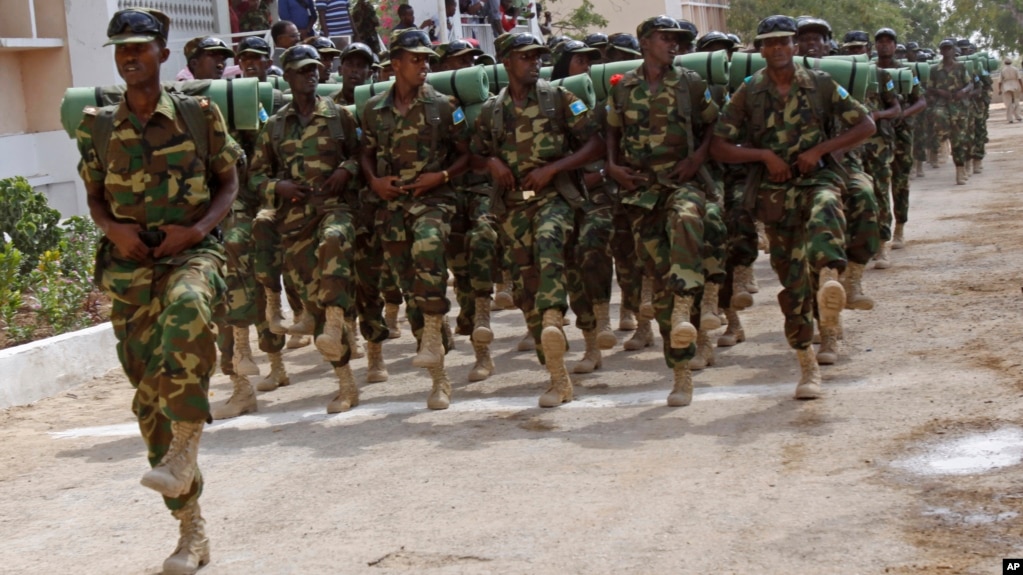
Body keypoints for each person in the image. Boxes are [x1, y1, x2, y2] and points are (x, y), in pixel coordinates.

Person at [76, 8, 241, 573]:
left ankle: (188, 440)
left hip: (193, 251)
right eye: (121, 47)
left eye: (140, 47)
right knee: (150, 404)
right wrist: (112, 229)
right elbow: (96, 193)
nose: (129, 55)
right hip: (129, 270)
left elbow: (229, 179)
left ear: (163, 55)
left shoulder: (198, 115)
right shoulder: (96, 124)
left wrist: (197, 230)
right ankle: (191, 530)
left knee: (190, 307)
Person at [711, 15, 876, 399]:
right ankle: (807, 366)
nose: (779, 48)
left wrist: (819, 150)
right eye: (770, 43)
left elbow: (865, 124)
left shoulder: (819, 83)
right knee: (793, 286)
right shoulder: (749, 91)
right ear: (760, 49)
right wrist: (764, 155)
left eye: (784, 41)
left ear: (794, 45)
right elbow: (720, 145)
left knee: (826, 210)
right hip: (773, 194)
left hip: (818, 178)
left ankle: (833, 285)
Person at [473, 32, 602, 407]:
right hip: (513, 207)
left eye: (537, 56)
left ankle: (563, 327)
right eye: (525, 56)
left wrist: (555, 168)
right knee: (528, 286)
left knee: (551, 246)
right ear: (507, 62)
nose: (534, 62)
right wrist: (492, 162)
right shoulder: (490, 110)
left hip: (556, 198)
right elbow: (475, 152)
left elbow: (595, 143)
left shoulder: (559, 99)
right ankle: (556, 374)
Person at [606, 16, 719, 405]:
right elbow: (611, 129)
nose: (673, 44)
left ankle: (688, 301)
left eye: (677, 39)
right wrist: (612, 166)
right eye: (664, 38)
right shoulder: (623, 87)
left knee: (686, 220)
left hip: (682, 182)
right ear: (644, 43)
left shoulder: (690, 83)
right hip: (641, 192)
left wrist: (697, 160)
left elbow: (712, 126)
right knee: (656, 274)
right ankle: (681, 373)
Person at [360, 28, 471, 409]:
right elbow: (366, 152)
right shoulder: (373, 109)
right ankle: (434, 353)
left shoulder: (444, 104)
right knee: (410, 289)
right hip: (392, 207)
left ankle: (440, 376)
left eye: (426, 59)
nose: (424, 65)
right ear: (395, 64)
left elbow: (466, 155)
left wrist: (440, 177)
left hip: (434, 200)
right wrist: (375, 181)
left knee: (428, 250)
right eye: (415, 59)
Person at [249, 45, 363, 412]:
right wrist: (277, 188)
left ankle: (334, 320)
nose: (311, 75)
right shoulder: (275, 125)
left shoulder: (339, 115)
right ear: (288, 76)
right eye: (302, 70)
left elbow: (364, 155)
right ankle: (345, 382)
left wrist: (347, 170)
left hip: (335, 209)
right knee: (311, 297)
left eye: (315, 69)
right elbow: (254, 176)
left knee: (333, 242)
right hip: (295, 222)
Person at [551, 39, 618, 373]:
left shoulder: (601, 102)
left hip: (600, 195)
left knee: (592, 250)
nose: (587, 68)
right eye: (580, 61)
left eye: (590, 62)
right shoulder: (549, 101)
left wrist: (602, 173)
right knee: (571, 268)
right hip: (563, 197)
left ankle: (606, 318)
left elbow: (611, 144)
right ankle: (591, 343)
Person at [875, 27, 926, 252]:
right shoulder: (867, 70)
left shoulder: (906, 71)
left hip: (901, 134)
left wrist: (902, 115)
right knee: (877, 185)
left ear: (895, 46)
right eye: (880, 41)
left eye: (889, 41)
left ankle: (899, 228)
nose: (885, 45)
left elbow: (921, 102)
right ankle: (880, 235)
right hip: (876, 136)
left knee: (900, 182)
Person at [926, 39, 972, 185]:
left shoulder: (960, 67)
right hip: (942, 105)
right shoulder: (934, 70)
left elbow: (970, 84)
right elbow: (929, 88)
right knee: (938, 119)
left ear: (953, 50)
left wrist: (963, 91)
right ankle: (940, 144)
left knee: (959, 140)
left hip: (959, 107)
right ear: (940, 51)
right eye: (944, 49)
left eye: (949, 48)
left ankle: (960, 169)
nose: (946, 51)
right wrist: (939, 91)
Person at [999, 58, 1022, 123]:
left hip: (1006, 86)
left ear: (1005, 63)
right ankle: (1018, 116)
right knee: (1016, 101)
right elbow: (1019, 79)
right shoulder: (1015, 69)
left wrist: (999, 89)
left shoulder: (1003, 70)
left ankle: (1010, 118)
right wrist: (1021, 87)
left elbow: (1000, 81)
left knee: (1008, 103)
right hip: (1015, 85)